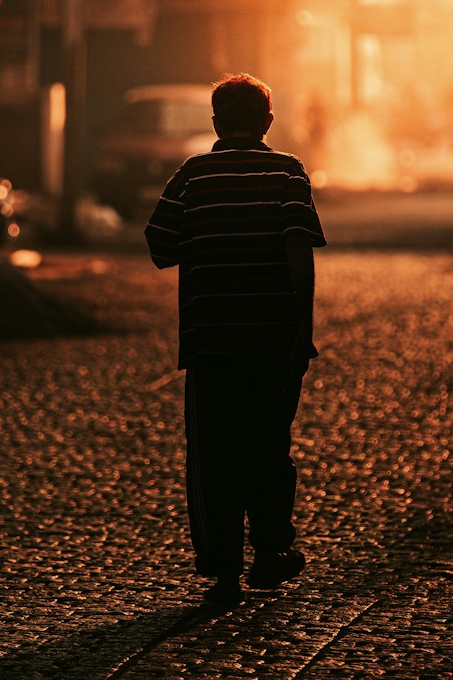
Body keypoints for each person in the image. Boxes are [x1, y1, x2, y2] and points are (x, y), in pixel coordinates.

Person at [144, 72, 327, 604]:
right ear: (268, 122)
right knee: (270, 448)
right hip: (274, 341)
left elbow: (160, 246)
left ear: (216, 122)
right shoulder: (288, 173)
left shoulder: (192, 175)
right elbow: (300, 253)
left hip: (211, 344)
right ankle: (271, 551)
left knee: (214, 455)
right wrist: (303, 328)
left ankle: (223, 571)